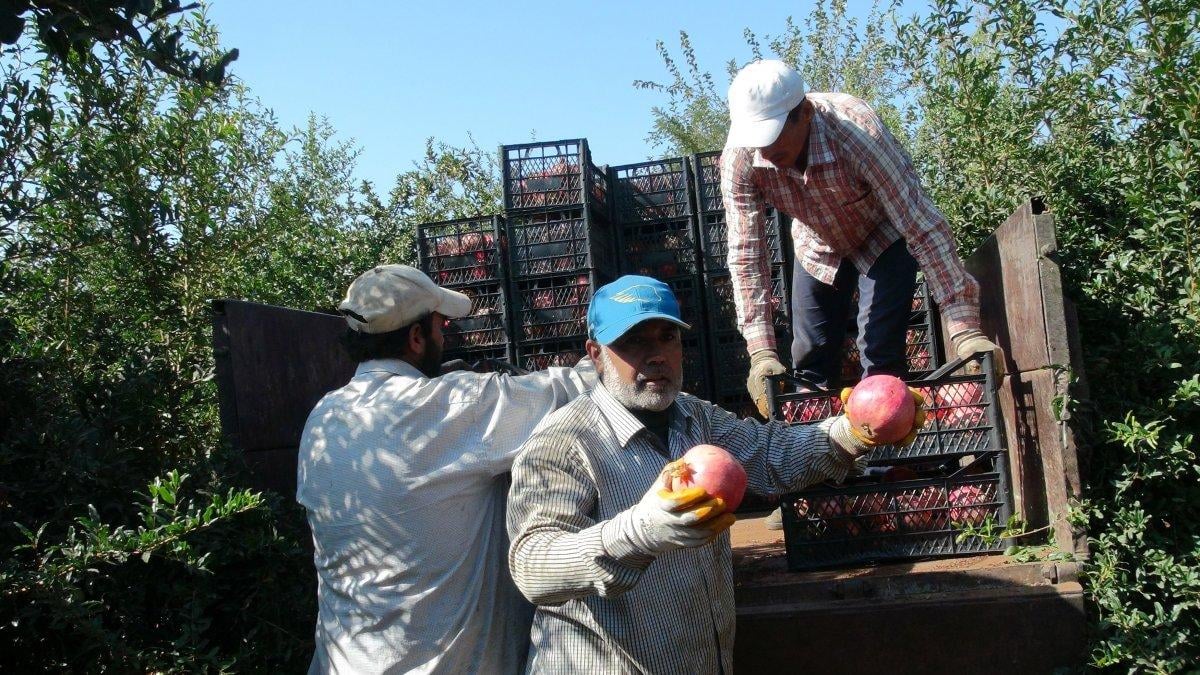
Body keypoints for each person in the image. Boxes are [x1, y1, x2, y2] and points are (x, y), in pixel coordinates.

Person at [506, 275, 919, 673]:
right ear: (596, 354)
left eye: (667, 337)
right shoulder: (564, 441)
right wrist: (640, 531)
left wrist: (854, 431)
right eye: (633, 341)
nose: (656, 355)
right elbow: (532, 567)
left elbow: (773, 454)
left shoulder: (694, 417)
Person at [296, 264, 596, 675]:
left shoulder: (324, 417)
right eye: (440, 326)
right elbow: (569, 390)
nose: (444, 335)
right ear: (417, 338)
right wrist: (605, 351)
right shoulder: (453, 405)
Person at [720, 59, 1005, 420]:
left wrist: (964, 330)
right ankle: (820, 460)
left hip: (881, 233)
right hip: (816, 243)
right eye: (753, 138)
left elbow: (921, 225)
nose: (762, 151)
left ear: (804, 113)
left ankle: (886, 456)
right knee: (809, 359)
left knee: (880, 351)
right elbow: (747, 255)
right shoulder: (741, 158)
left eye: (771, 135)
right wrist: (761, 352)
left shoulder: (857, 131)